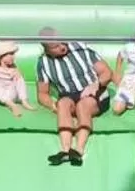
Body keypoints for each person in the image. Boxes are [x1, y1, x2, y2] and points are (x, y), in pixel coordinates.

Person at [35, 27, 113, 167]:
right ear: (47, 49)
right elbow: (42, 93)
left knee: (83, 105)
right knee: (63, 104)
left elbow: (107, 72)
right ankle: (65, 150)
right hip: (68, 96)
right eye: (56, 47)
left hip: (94, 92)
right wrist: (53, 105)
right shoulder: (43, 63)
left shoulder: (80, 48)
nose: (62, 47)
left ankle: (79, 149)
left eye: (62, 42)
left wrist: (95, 85)